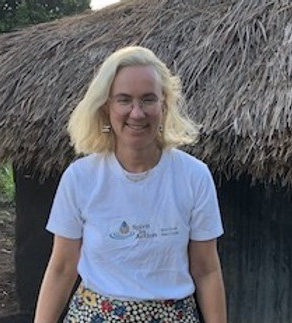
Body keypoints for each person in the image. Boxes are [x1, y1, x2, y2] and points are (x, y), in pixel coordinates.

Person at [34, 46, 227, 323]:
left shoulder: (194, 177)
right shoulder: (81, 178)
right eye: (124, 100)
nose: (136, 113)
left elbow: (206, 270)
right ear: (106, 107)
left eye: (148, 100)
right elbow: (63, 267)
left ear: (164, 105)